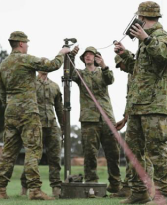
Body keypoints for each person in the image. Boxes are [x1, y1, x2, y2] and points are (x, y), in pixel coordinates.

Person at [0, 31, 70, 200]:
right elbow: (51, 65)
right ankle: (35, 190)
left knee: (8, 152)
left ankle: (1, 190)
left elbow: (1, 94)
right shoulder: (26, 59)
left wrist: (10, 107)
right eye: (26, 43)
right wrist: (61, 53)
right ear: (21, 44)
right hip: (28, 112)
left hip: (10, 112)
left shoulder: (3, 65)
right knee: (33, 150)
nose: (27, 46)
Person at [114, 1, 167, 204]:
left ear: (142, 18)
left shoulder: (160, 36)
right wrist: (124, 55)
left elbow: (166, 56)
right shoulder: (143, 42)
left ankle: (163, 196)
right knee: (134, 151)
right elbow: (139, 71)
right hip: (138, 106)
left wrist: (146, 39)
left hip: (155, 106)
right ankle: (139, 193)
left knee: (157, 151)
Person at [70, 46, 122, 194]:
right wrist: (71, 56)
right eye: (86, 55)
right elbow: (69, 72)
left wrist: (104, 65)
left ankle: (115, 184)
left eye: (91, 55)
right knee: (90, 153)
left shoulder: (102, 72)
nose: (88, 57)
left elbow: (110, 79)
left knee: (113, 152)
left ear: (96, 58)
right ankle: (91, 182)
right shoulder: (80, 74)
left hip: (106, 118)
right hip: (89, 119)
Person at [110, 56, 154, 199]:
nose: (121, 68)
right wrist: (125, 118)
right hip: (134, 116)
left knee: (145, 155)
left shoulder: (143, 71)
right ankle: (133, 188)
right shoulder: (130, 76)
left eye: (121, 64)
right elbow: (131, 98)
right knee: (132, 152)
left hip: (148, 114)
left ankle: (149, 187)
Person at [19, 71, 64, 198]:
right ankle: (25, 186)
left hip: (52, 125)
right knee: (33, 158)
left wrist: (64, 127)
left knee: (55, 157)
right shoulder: (31, 84)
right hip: (35, 124)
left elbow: (59, 108)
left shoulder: (54, 86)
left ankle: (56, 188)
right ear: (38, 69)